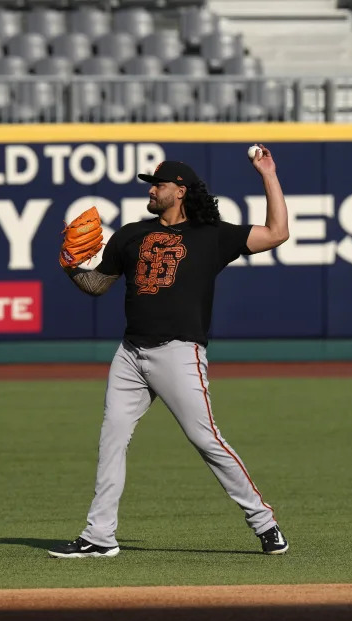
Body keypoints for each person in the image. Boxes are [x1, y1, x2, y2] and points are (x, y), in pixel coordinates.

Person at [50, 145, 290, 558]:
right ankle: (100, 536)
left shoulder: (212, 234)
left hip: (179, 353)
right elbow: (97, 286)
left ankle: (265, 523)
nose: (151, 190)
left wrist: (267, 174)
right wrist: (73, 267)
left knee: (206, 440)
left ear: (180, 190)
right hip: (130, 354)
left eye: (158, 184)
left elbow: (277, 233)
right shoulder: (131, 234)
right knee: (112, 440)